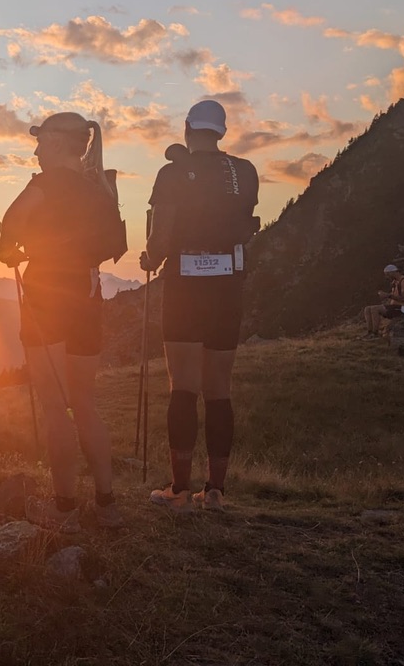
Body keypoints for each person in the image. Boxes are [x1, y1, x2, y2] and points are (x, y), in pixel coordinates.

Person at [0, 112, 124, 531]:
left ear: (57, 143)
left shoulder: (45, 184)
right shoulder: (100, 190)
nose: (35, 150)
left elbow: (11, 225)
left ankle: (65, 509)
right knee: (84, 404)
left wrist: (9, 248)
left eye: (40, 142)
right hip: (88, 295)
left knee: (55, 407)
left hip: (47, 296)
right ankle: (106, 504)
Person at [139, 100, 260, 513]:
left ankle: (178, 489)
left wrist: (151, 259)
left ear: (188, 127)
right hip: (228, 284)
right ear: (221, 131)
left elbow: (163, 231)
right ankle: (215, 492)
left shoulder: (171, 174)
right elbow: (245, 221)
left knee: (184, 387)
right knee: (219, 390)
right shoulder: (244, 171)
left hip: (186, 285)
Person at [361, 264, 404, 339]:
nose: (387, 277)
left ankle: (375, 333)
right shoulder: (395, 282)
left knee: (375, 309)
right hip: (396, 307)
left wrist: (388, 295)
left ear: (392, 272)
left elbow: (403, 298)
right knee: (367, 309)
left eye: (387, 274)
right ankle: (370, 332)